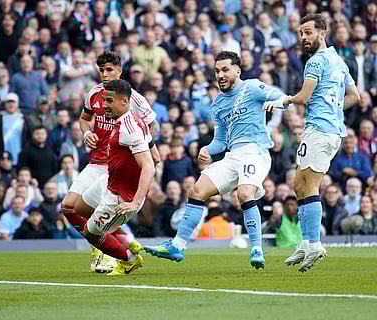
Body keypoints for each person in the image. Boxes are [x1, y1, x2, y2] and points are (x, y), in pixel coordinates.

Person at [144, 51, 288, 269]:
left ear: (237, 71)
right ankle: (178, 245)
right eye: (217, 71)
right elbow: (220, 140)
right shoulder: (218, 103)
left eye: (225, 70)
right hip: (232, 155)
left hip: (255, 151)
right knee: (196, 190)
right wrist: (207, 149)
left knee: (245, 193)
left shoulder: (252, 87)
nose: (220, 74)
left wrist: (275, 103)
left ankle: (257, 248)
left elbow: (280, 96)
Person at [61, 51, 158, 273]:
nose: (105, 74)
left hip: (118, 167)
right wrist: (86, 134)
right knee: (69, 207)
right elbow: (84, 119)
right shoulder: (94, 95)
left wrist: (149, 148)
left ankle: (107, 254)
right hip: (97, 162)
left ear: (119, 71)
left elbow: (152, 127)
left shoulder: (134, 100)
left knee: (95, 221)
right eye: (102, 70)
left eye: (110, 70)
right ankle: (123, 241)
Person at [278, 14, 360, 272]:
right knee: (299, 184)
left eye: (308, 32)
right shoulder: (339, 61)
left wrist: (285, 100)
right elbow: (355, 96)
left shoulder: (315, 62)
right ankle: (305, 242)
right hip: (328, 130)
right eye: (301, 33)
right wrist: (335, 109)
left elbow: (304, 96)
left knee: (310, 185)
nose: (303, 37)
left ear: (322, 33)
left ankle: (315, 243)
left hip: (320, 130)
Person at [80, 79, 154, 276]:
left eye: (110, 101)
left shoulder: (129, 129)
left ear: (124, 101)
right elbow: (155, 155)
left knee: (90, 233)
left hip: (121, 197)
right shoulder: (129, 121)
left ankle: (129, 259)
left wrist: (136, 201)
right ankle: (128, 241)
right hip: (109, 182)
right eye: (104, 100)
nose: (104, 105)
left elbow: (149, 165)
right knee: (79, 208)